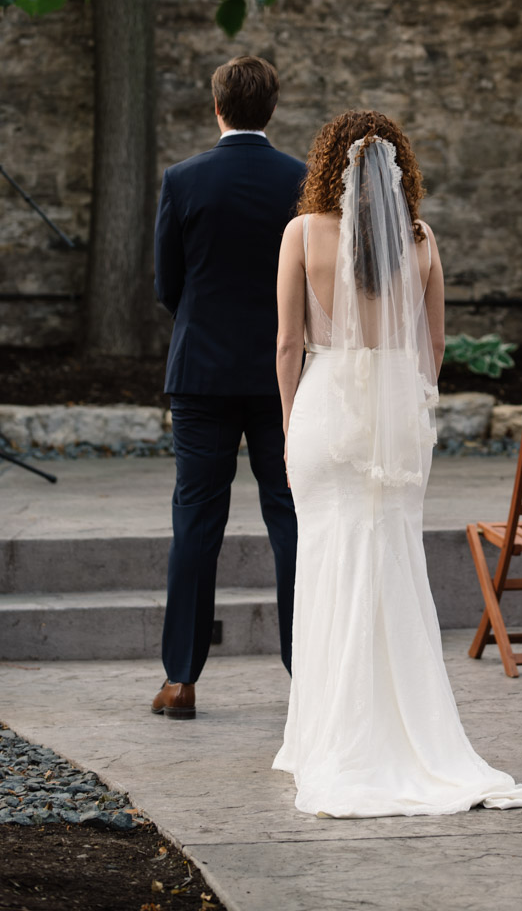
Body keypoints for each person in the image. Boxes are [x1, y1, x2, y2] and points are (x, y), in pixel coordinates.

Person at [273, 109, 522, 817]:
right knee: (390, 561)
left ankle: (325, 736)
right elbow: (431, 352)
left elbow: (286, 343)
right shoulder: (423, 241)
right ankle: (398, 734)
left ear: (329, 163)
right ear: (400, 169)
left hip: (326, 406)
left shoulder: (303, 234)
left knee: (325, 562)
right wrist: (404, 413)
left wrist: (288, 422)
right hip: (396, 418)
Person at [151, 55, 305, 719]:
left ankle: (181, 679)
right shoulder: (302, 181)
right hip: (286, 379)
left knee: (196, 523)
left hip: (203, 375)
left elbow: (167, 285)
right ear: (271, 109)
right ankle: (310, 675)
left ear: (218, 106)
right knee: (292, 520)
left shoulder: (183, 180)